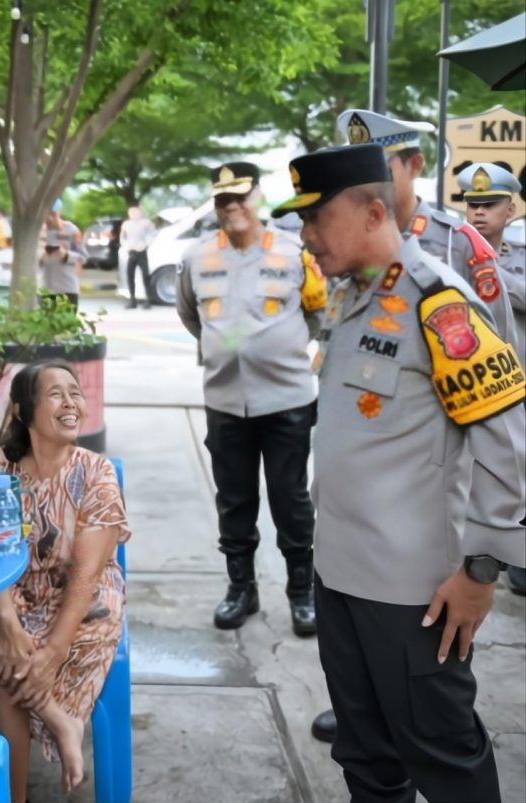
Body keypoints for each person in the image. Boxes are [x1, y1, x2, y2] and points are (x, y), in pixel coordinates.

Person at [272, 143, 525, 800]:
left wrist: (482, 570)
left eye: (316, 217)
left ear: (372, 211)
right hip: (340, 576)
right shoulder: (354, 296)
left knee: (444, 756)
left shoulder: (437, 300)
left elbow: (508, 446)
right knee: (366, 755)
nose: (306, 236)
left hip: (414, 592)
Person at [0, 359, 131, 802]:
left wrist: (54, 649)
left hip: (81, 600)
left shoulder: (94, 471)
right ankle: (58, 718)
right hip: (16, 593)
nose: (71, 403)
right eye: (55, 393)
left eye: (75, 392)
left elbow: (87, 573)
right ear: (26, 410)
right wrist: (6, 622)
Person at [176, 162, 327, 636]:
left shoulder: (294, 252)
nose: (232, 206)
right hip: (226, 402)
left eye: (240, 196)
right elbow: (189, 313)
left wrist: (279, 352)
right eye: (222, 199)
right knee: (234, 502)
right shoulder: (197, 257)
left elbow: (319, 312)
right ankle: (241, 589)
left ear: (258, 197)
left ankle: (302, 594)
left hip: (286, 401)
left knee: (291, 501)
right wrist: (227, 349)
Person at [337, 109, 517, 349]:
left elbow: (499, 342)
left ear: (415, 165)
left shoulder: (459, 243)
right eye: (359, 173)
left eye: (380, 170)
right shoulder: (349, 241)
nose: (368, 183)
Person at [458, 162, 526, 598]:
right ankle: (477, 553)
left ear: (511, 208)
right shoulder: (449, 252)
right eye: (472, 205)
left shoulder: (516, 255)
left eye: (490, 204)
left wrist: (481, 266)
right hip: (473, 385)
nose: (479, 213)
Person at [39, 202, 84, 310]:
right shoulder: (39, 231)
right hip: (45, 287)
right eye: (46, 214)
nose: (49, 218)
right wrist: (44, 253)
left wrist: (65, 254)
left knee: (67, 324)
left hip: (68, 287)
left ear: (59, 213)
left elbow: (82, 257)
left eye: (53, 214)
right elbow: (33, 258)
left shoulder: (71, 230)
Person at [119, 206, 156, 309]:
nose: (134, 214)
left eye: (136, 212)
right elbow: (122, 237)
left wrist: (146, 244)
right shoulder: (126, 224)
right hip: (131, 252)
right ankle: (132, 300)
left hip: (142, 251)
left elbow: (153, 234)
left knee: (145, 276)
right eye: (132, 213)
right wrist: (125, 246)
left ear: (140, 213)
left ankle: (148, 300)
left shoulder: (146, 223)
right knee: (130, 276)